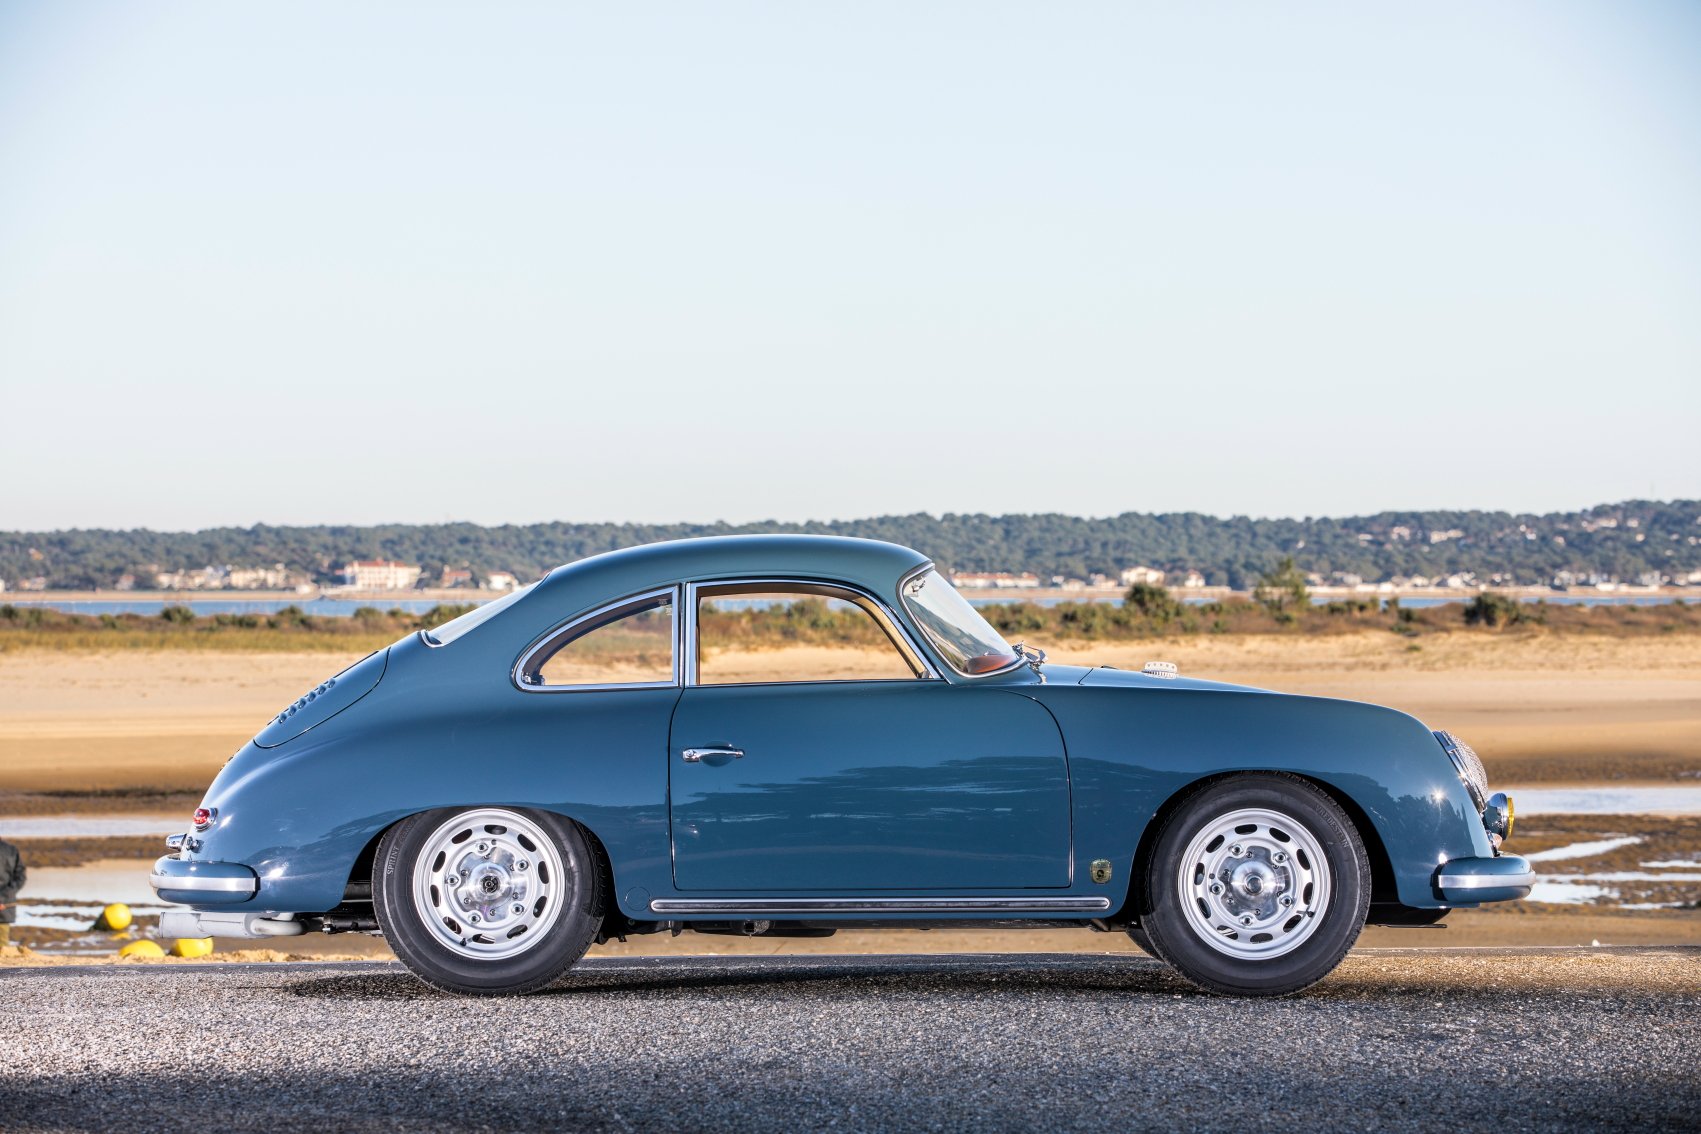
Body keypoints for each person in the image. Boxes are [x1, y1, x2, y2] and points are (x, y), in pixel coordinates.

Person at [0, 834, 24, 948]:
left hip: (4, 906)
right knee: (3, 947)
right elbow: (20, 877)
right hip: (5, 905)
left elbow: (20, 877)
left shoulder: (11, 850)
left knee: (3, 946)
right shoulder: (11, 850)